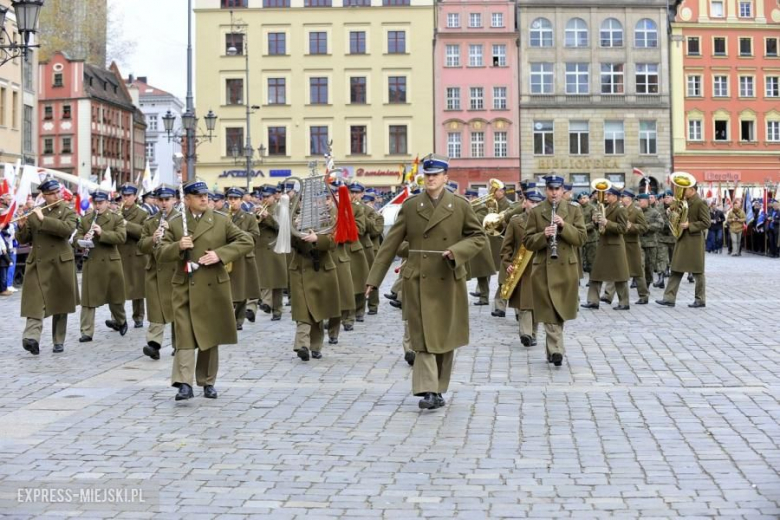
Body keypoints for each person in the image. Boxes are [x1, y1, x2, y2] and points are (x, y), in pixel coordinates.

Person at [365, 154, 486, 410]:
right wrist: (373, 280)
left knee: (444, 338)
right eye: (427, 174)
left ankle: (439, 388)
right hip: (417, 280)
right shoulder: (410, 206)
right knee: (422, 337)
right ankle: (428, 389)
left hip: (448, 278)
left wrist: (457, 252)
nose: (430, 179)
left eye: (435, 175)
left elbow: (478, 237)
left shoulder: (461, 205)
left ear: (445, 178)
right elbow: (390, 245)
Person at [158, 178, 253, 401]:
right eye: (199, 196)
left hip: (212, 284)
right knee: (184, 335)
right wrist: (177, 246)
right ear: (187, 199)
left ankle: (208, 381)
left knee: (209, 335)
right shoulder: (175, 223)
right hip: (184, 285)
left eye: (206, 196)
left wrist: (219, 254)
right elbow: (159, 253)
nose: (204, 199)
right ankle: (184, 383)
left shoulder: (220, 221)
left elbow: (246, 240)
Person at [523, 176, 587, 366]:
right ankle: (557, 349)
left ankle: (552, 349)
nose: (554, 192)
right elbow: (527, 241)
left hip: (567, 268)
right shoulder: (536, 212)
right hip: (543, 268)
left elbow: (582, 238)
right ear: (546, 190)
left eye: (557, 189)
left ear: (562, 191)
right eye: (550, 189)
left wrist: (564, 226)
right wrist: (543, 235)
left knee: (561, 310)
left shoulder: (574, 210)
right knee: (550, 309)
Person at [15, 179, 79, 354]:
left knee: (60, 303)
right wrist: (21, 227)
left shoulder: (68, 211)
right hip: (38, 261)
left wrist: (44, 220)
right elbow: (24, 239)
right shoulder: (35, 212)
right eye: (51, 194)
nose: (56, 196)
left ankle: (59, 340)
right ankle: (31, 338)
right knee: (35, 301)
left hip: (60, 261)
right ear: (43, 195)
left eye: (57, 192)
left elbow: (67, 230)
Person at [75, 189, 128, 343]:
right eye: (95, 203)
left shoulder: (115, 218)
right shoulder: (86, 220)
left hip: (110, 263)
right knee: (88, 299)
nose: (97, 206)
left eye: (101, 203)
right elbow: (75, 238)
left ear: (107, 203)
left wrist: (102, 233)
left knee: (115, 297)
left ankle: (121, 320)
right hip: (91, 261)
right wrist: (82, 239)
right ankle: (86, 331)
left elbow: (121, 237)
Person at [138, 184, 179, 360]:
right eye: (160, 200)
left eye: (167, 200)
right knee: (156, 309)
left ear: (174, 200)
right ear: (155, 201)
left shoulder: (181, 220)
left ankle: (180, 345)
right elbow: (141, 246)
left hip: (175, 270)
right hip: (155, 270)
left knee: (177, 310)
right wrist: (152, 239)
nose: (163, 203)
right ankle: (154, 344)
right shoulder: (150, 221)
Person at [656, 180, 710, 308]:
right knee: (676, 268)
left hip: (694, 240)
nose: (683, 191)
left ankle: (700, 299)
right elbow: (675, 216)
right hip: (682, 238)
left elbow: (706, 222)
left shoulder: (700, 202)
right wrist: (671, 214)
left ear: (692, 189)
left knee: (697, 271)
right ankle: (669, 298)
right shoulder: (682, 202)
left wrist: (689, 225)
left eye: (685, 189)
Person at [501, 190, 543, 347]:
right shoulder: (515, 221)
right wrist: (507, 264)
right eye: (532, 201)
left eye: (538, 202)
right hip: (522, 268)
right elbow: (507, 247)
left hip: (539, 266)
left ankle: (533, 333)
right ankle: (526, 333)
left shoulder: (546, 222)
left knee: (537, 303)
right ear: (525, 202)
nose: (534, 205)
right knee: (525, 303)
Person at [582, 186, 630, 310]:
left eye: (609, 195)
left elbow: (623, 228)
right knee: (596, 273)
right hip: (603, 244)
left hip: (615, 246)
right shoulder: (606, 208)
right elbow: (600, 226)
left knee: (620, 275)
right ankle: (593, 300)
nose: (606, 197)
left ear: (615, 196)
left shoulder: (621, 210)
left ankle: (624, 302)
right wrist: (596, 221)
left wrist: (607, 223)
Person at [602, 190, 649, 305]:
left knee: (637, 271)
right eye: (621, 196)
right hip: (619, 243)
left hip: (631, 244)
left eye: (624, 197)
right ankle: (608, 295)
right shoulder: (618, 208)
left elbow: (644, 227)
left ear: (630, 198)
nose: (621, 198)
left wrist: (632, 226)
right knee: (616, 269)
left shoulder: (637, 211)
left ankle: (643, 295)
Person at [225, 187, 261, 330]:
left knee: (241, 290)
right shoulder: (222, 216)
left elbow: (255, 236)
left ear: (240, 200)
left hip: (243, 256)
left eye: (235, 199)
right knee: (227, 289)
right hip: (227, 254)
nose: (232, 201)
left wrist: (236, 232)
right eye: (230, 199)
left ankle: (238, 320)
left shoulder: (249, 217)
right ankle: (228, 318)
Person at [113, 183, 147, 331]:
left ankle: (138, 316)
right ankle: (117, 318)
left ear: (135, 197)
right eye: (124, 196)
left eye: (128, 196)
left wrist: (126, 224)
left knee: (137, 287)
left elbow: (143, 232)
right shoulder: (116, 213)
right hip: (119, 252)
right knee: (117, 286)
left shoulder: (142, 213)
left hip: (135, 253)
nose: (125, 198)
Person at [252, 185, 288, 322]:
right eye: (263, 197)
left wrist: (268, 217)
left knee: (277, 281)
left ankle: (277, 310)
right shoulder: (259, 208)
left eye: (268, 196)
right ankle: (266, 303)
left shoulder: (281, 208)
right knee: (264, 278)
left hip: (275, 247)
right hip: (261, 248)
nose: (265, 199)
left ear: (275, 196)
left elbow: (281, 227)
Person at [464, 188, 497, 306]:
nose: (467, 199)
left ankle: (484, 297)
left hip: (480, 244)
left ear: (473, 197)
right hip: (470, 242)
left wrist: (467, 210)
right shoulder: (469, 207)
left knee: (482, 273)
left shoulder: (481, 208)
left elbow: (478, 221)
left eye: (468, 197)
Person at [637, 193, 664, 289]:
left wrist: (647, 227)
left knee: (649, 267)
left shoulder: (654, 212)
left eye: (641, 201)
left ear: (646, 201)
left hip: (650, 243)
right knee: (640, 265)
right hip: (638, 243)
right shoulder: (636, 212)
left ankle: (647, 285)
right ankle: (642, 288)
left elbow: (660, 224)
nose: (639, 202)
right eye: (638, 200)